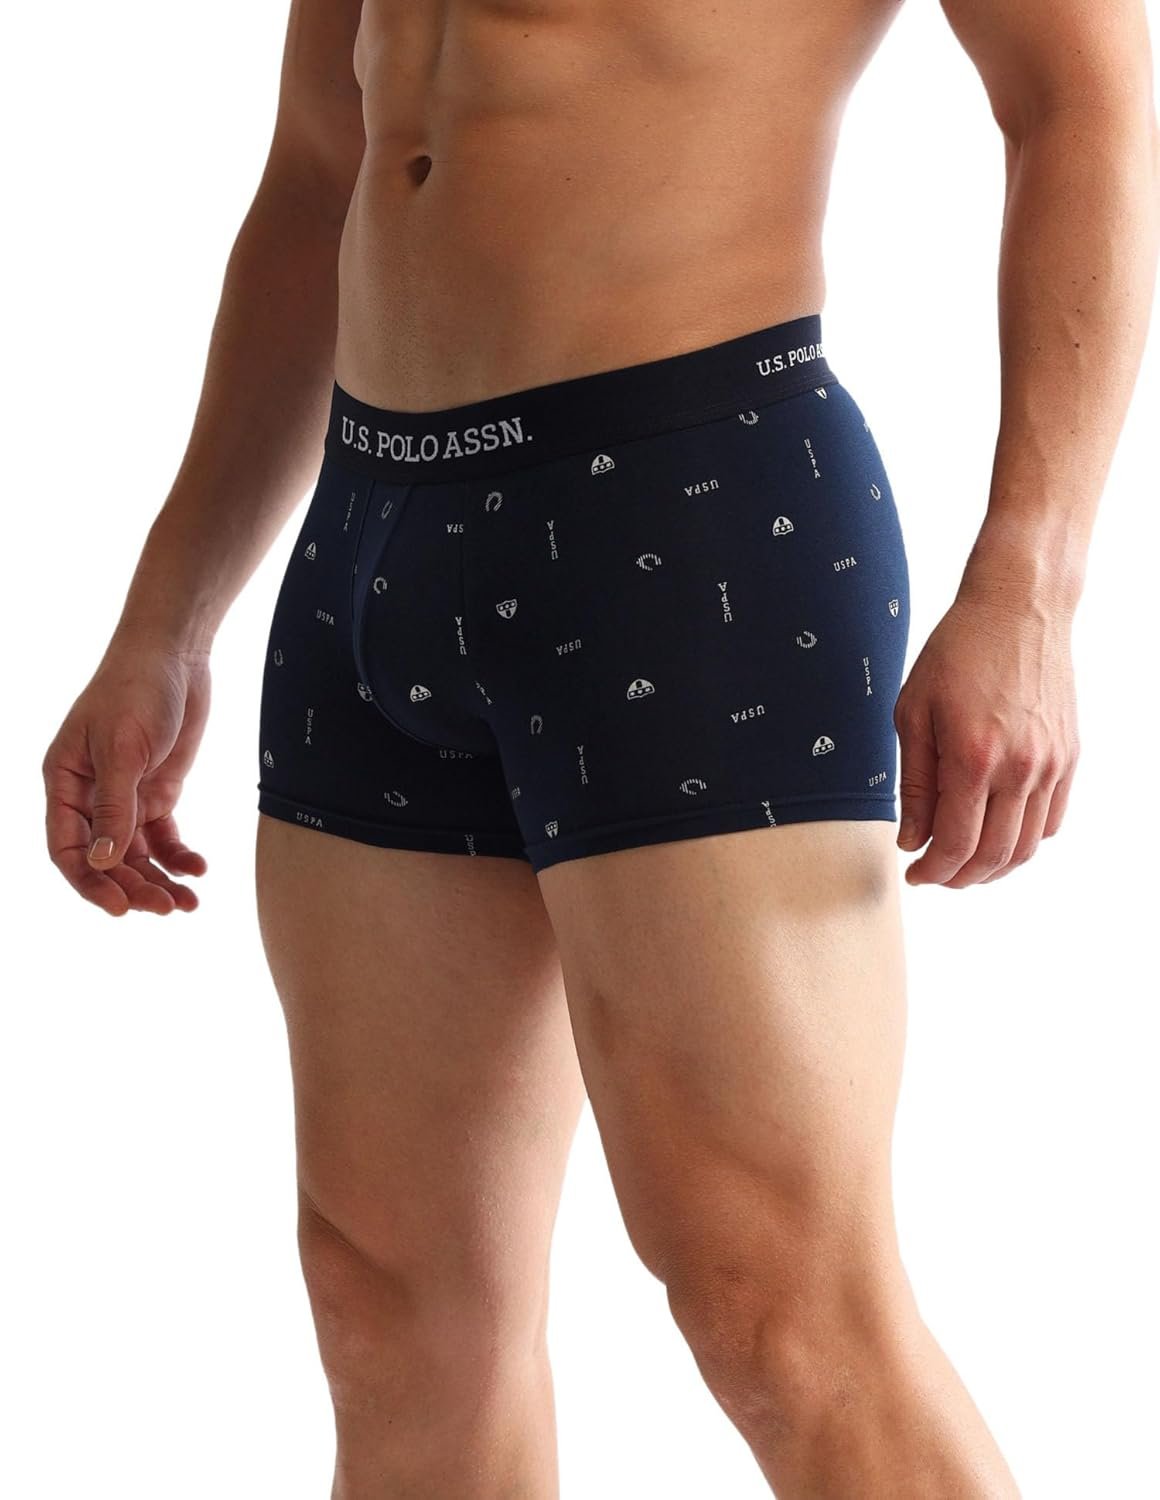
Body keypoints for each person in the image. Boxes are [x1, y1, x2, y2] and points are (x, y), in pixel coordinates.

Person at [42, 1, 1159, 1495]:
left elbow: (1083, 100)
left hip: (685, 514)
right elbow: (319, 168)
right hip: (373, 524)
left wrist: (1032, 581)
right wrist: (167, 618)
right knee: (387, 1306)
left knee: (777, 1306)